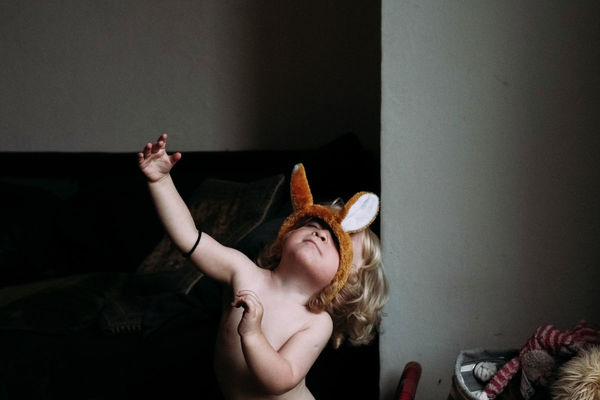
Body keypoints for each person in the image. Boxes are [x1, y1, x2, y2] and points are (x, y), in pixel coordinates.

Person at [138, 134, 387, 399]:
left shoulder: (316, 322)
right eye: (315, 223)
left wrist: (253, 334)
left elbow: (281, 380)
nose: (322, 233)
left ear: (346, 286)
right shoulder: (243, 271)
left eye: (339, 243)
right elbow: (189, 238)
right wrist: (160, 181)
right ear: (286, 235)